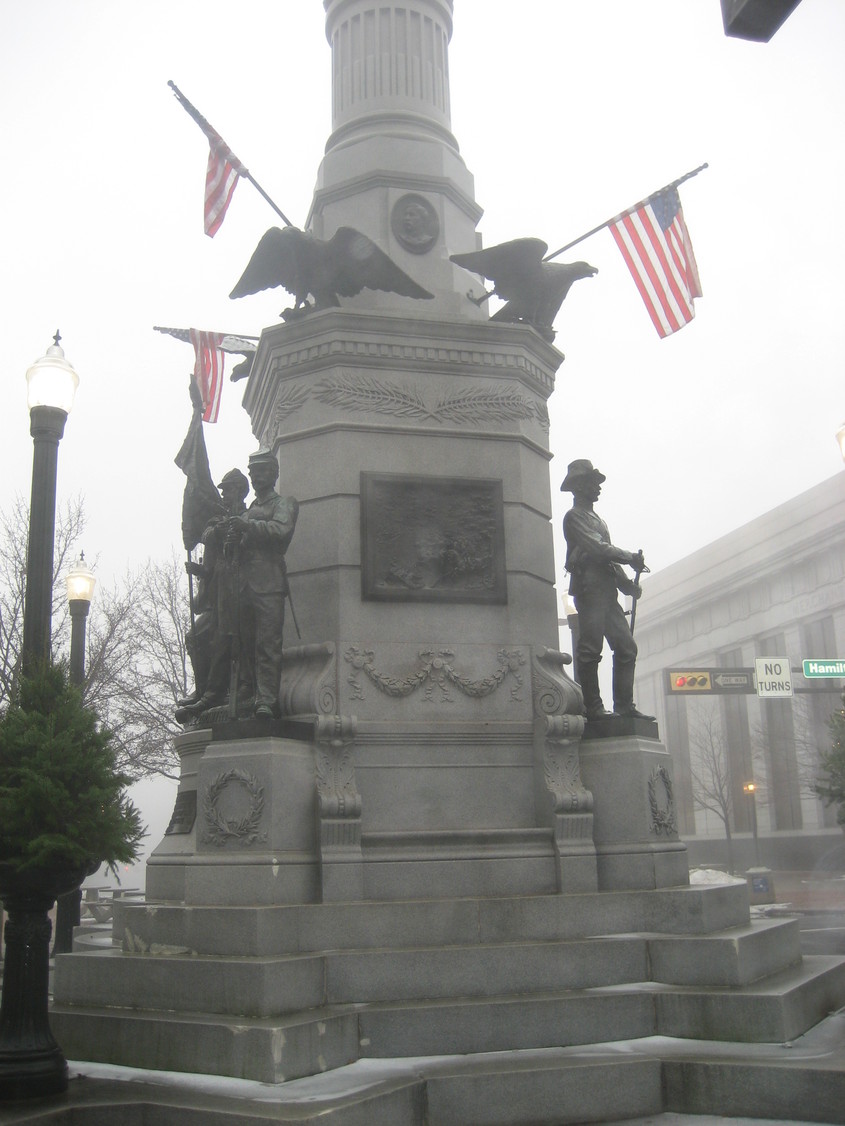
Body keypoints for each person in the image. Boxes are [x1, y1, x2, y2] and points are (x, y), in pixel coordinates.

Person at [561, 459, 653, 722]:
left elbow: (607, 559)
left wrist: (626, 584)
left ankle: (624, 706)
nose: (598, 488)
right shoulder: (574, 517)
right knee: (590, 650)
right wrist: (630, 557)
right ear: (579, 487)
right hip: (590, 591)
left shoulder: (598, 519)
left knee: (626, 648)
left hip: (607, 592)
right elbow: (598, 549)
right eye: (592, 483)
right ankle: (594, 708)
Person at [225, 450, 299, 718]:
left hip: (269, 584)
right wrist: (231, 541)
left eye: (262, 472)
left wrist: (248, 527)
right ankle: (250, 693)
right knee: (246, 644)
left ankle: (266, 699)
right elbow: (236, 550)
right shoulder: (247, 512)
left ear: (274, 473)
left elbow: (281, 533)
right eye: (253, 472)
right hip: (244, 585)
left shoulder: (284, 504)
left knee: (267, 644)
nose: (256, 477)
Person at [177, 468, 250, 719]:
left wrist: (218, 531)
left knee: (222, 641)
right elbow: (213, 567)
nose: (224, 494)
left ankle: (215, 693)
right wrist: (199, 570)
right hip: (218, 596)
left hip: (238, 593)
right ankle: (203, 691)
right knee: (197, 638)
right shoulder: (220, 521)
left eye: (227, 489)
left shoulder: (246, 517)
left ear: (239, 490)